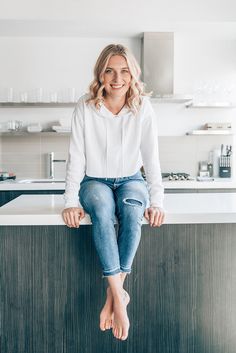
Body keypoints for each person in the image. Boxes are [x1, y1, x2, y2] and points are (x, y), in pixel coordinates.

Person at [62, 43, 165, 341]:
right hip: (95, 181)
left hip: (132, 179)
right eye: (110, 70)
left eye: (124, 71)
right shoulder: (85, 106)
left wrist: (157, 200)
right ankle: (121, 299)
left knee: (133, 212)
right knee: (103, 211)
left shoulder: (143, 107)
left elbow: (151, 157)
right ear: (100, 74)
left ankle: (114, 297)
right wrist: (70, 201)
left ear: (133, 75)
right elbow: (76, 157)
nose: (117, 78)